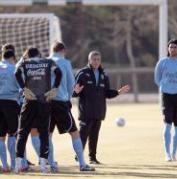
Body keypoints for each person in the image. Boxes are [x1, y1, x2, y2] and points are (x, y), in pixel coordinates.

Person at [74, 50, 130, 164]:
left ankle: (92, 158)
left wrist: (118, 92)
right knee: (83, 135)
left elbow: (107, 93)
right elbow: (75, 92)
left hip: (99, 111)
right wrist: (75, 92)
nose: (96, 62)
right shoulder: (82, 73)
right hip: (86, 111)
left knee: (94, 136)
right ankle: (78, 156)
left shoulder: (104, 74)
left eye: (98, 59)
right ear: (89, 60)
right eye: (94, 59)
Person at [48, 42, 94, 172]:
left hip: (45, 104)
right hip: (61, 102)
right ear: (63, 50)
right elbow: (70, 84)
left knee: (48, 134)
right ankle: (82, 164)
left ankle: (51, 164)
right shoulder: (65, 62)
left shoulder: (45, 61)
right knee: (74, 132)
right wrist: (69, 98)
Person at [14, 47, 62, 173]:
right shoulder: (48, 62)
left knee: (22, 132)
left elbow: (16, 73)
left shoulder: (25, 63)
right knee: (44, 133)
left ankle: (18, 163)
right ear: (39, 54)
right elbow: (59, 73)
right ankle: (43, 164)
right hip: (44, 100)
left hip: (29, 100)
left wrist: (23, 88)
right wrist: (55, 88)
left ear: (28, 55)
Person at [154, 39, 177, 161]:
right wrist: (163, 86)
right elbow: (157, 77)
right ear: (168, 49)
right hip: (167, 95)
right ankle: (167, 154)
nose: (172, 49)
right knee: (167, 124)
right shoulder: (162, 62)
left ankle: (174, 153)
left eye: (175, 47)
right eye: (170, 47)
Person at [0, 49, 19, 172]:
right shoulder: (15, 68)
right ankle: (13, 165)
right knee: (12, 134)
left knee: (0, 136)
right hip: (11, 103)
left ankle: (4, 165)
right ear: (13, 57)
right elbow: (21, 87)